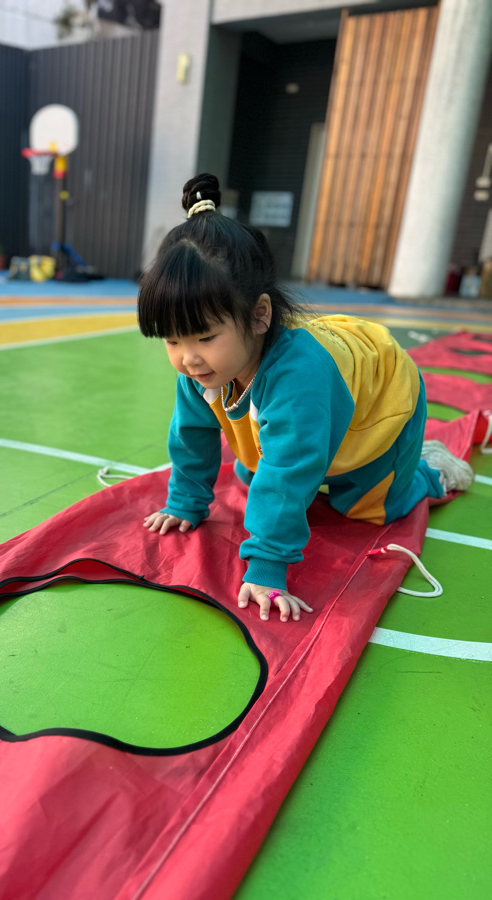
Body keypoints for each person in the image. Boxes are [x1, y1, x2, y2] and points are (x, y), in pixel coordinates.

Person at [139, 174, 474, 624]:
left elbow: (289, 472)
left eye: (204, 337)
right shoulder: (202, 368)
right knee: (254, 471)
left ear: (259, 315)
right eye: (172, 340)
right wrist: (185, 501)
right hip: (313, 399)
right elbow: (191, 435)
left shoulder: (299, 375)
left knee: (368, 505)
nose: (188, 357)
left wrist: (267, 565)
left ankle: (429, 470)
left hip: (380, 401)